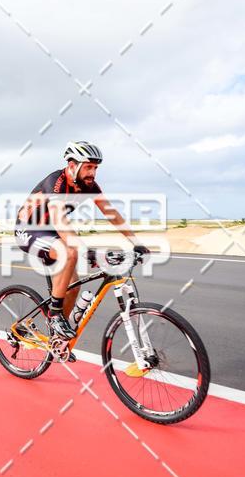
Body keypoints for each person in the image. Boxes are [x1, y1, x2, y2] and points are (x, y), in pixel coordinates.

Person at [15, 141, 149, 341]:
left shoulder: (89, 186)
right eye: (88, 167)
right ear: (72, 165)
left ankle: (57, 340)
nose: (92, 173)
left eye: (95, 168)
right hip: (29, 230)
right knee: (69, 252)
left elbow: (111, 213)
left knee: (74, 286)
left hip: (51, 232)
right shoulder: (56, 183)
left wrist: (135, 242)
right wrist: (85, 250)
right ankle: (54, 316)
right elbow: (59, 221)